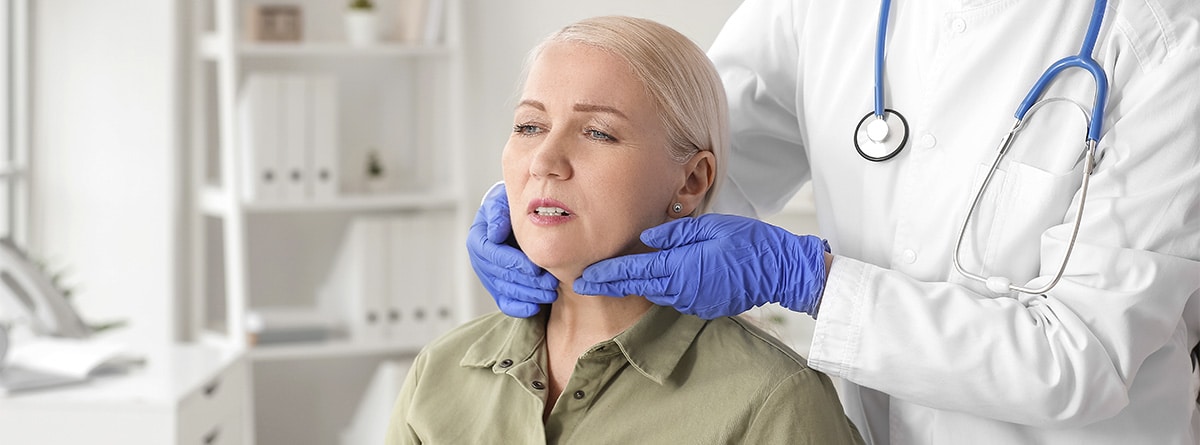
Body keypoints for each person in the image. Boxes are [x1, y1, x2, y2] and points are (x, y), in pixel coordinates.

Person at [468, 1, 1200, 444]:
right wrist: (541, 196)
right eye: (525, 126)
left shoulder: (1167, 41)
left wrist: (810, 281)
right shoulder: (452, 378)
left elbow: (1084, 356)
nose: (546, 151)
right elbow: (687, 145)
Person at [388, 16, 863, 444]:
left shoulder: (772, 402)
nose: (543, 163)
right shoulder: (441, 371)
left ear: (693, 179)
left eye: (598, 133)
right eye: (530, 126)